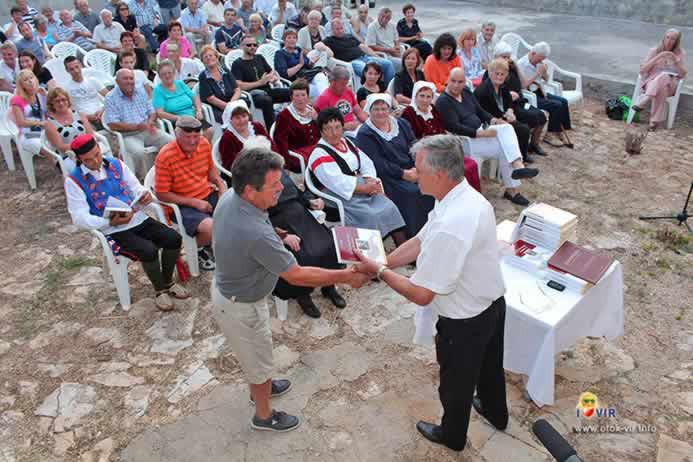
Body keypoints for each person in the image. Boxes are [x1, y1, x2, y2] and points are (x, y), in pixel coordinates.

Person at [351, 133, 509, 454]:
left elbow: (422, 294)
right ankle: (496, 412)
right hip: (491, 301)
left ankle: (452, 435)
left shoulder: (453, 222)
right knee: (491, 368)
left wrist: (380, 272)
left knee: (455, 383)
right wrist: (382, 260)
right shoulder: (460, 197)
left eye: (417, 169)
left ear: (438, 174)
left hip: (464, 319)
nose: (411, 173)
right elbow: (421, 239)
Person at [210, 145, 367, 434]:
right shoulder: (253, 231)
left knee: (260, 351)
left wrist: (280, 232)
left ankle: (262, 387)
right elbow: (296, 274)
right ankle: (263, 414)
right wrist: (346, 276)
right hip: (239, 303)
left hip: (241, 293)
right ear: (249, 190)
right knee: (256, 360)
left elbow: (263, 228)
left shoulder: (233, 198)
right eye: (274, 185)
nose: (282, 188)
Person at [64, 134, 189, 311]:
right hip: (112, 228)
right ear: (79, 159)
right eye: (89, 160)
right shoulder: (74, 180)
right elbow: (79, 218)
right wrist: (108, 220)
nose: (96, 161)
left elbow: (135, 187)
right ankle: (160, 290)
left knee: (173, 238)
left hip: (136, 218)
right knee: (148, 250)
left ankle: (168, 282)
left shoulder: (115, 164)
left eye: (97, 154)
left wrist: (144, 196)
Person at [435, 68, 538, 206]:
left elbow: (479, 110)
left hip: (481, 133)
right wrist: (479, 133)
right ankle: (514, 183)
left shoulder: (465, 92)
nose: (456, 85)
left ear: (464, 82)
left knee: (506, 129)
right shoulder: (444, 101)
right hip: (466, 140)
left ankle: (516, 173)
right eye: (453, 81)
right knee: (505, 145)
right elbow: (453, 126)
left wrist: (494, 120)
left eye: (460, 82)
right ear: (447, 80)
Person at [308, 107, 406, 242]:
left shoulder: (346, 142)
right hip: (337, 194)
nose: (334, 132)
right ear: (321, 131)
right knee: (368, 215)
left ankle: (401, 247)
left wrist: (369, 179)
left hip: (361, 185)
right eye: (328, 128)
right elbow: (337, 182)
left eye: (337, 127)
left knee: (389, 207)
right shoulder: (319, 154)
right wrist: (366, 188)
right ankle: (371, 255)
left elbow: (365, 161)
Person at [356, 93, 433, 238]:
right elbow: (377, 162)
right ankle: (413, 237)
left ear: (389, 109)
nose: (380, 112)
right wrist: (403, 173)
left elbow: (414, 145)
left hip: (412, 169)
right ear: (369, 111)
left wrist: (418, 167)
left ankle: (430, 231)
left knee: (430, 185)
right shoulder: (365, 133)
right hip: (388, 176)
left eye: (384, 108)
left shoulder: (401, 124)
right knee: (411, 193)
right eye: (376, 109)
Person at [155, 116, 224, 271]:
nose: (193, 141)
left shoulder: (204, 144)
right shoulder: (165, 156)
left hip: (206, 193)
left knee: (236, 207)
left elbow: (213, 175)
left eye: (196, 136)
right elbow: (161, 194)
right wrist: (195, 202)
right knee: (210, 227)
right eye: (187, 137)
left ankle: (216, 244)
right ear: (177, 135)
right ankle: (195, 249)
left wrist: (221, 188)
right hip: (182, 205)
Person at [400, 81, 482, 193]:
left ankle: (468, 196)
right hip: (424, 153)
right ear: (415, 96)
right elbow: (411, 140)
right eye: (422, 96)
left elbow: (441, 129)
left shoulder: (432, 109)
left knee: (471, 165)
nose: (425, 100)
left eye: (428, 97)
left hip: (441, 149)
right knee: (455, 170)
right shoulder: (409, 113)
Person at [104, 68, 174, 176]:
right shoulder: (111, 97)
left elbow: (152, 112)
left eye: (131, 78)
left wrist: (150, 122)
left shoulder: (140, 91)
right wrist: (136, 126)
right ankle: (146, 179)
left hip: (147, 129)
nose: (129, 81)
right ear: (117, 82)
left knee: (170, 142)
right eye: (125, 79)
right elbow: (112, 124)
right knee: (139, 153)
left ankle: (170, 173)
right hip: (128, 135)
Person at [486, 42, 548, 157]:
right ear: (496, 57)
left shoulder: (512, 68)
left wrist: (516, 66)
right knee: (529, 121)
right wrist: (508, 96)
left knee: (541, 115)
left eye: (508, 57)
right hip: (508, 106)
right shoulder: (492, 72)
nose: (507, 59)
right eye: (503, 57)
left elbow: (523, 83)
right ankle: (522, 150)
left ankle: (534, 144)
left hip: (519, 102)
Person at [474, 58, 533, 163]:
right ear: (490, 73)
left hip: (503, 118)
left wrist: (510, 111)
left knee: (524, 126)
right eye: (497, 74)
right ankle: (513, 159)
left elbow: (509, 102)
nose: (499, 77)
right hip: (489, 123)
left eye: (502, 74)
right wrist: (500, 119)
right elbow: (482, 112)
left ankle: (520, 156)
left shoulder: (503, 87)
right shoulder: (482, 90)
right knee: (522, 129)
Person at [517, 42, 573, 147]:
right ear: (533, 53)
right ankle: (549, 135)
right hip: (530, 94)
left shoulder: (538, 62)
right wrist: (537, 73)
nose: (541, 61)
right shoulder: (521, 64)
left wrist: (544, 73)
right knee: (556, 105)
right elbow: (523, 86)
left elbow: (547, 80)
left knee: (563, 101)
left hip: (540, 91)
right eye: (539, 59)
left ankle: (560, 130)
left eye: (542, 59)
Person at [633, 28, 687, 131]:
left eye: (673, 39)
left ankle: (645, 99)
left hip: (671, 86)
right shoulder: (654, 51)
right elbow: (642, 71)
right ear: (663, 38)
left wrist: (676, 61)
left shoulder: (680, 53)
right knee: (662, 83)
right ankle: (653, 122)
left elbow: (683, 74)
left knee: (665, 77)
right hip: (651, 83)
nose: (669, 41)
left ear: (677, 41)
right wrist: (660, 56)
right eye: (667, 37)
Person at [232, 34, 291, 128]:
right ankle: (272, 131)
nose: (252, 47)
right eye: (249, 45)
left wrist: (272, 77)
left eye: (254, 45)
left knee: (292, 92)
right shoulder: (237, 64)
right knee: (266, 101)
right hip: (253, 95)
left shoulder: (259, 58)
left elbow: (271, 71)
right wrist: (260, 82)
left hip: (268, 90)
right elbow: (239, 85)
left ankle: (293, 123)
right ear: (241, 46)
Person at [322, 18, 395, 84]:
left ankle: (385, 87)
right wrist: (326, 48)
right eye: (337, 29)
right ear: (332, 29)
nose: (340, 31)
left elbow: (362, 46)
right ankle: (376, 89)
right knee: (367, 70)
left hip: (365, 57)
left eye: (341, 28)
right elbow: (317, 45)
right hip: (352, 62)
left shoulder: (349, 36)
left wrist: (376, 56)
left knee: (388, 64)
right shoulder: (329, 40)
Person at [153, 60, 213, 140]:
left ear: (174, 73)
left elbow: (194, 97)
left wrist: (198, 110)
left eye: (169, 73)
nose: (167, 76)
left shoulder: (180, 84)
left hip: (193, 116)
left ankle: (205, 151)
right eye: (164, 74)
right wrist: (178, 118)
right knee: (194, 136)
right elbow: (160, 113)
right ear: (160, 76)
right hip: (176, 122)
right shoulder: (158, 90)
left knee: (209, 130)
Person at [273, 79, 320, 172]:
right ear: (291, 97)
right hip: (297, 154)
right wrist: (286, 163)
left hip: (317, 148)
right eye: (297, 95)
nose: (300, 99)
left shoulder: (313, 110)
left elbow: (324, 131)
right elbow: (280, 141)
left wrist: (317, 119)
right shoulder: (284, 116)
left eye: (303, 95)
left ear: (307, 96)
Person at [45, 88, 94, 167]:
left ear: (68, 100)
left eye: (63, 100)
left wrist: (88, 149)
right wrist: (82, 147)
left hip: (89, 150)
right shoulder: (50, 124)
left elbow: (91, 135)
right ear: (51, 104)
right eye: (57, 101)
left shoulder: (80, 115)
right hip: (67, 156)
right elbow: (61, 146)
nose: (61, 103)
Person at [219, 100, 272, 173]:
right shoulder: (227, 138)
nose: (242, 120)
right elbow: (229, 164)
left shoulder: (257, 126)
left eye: (244, 116)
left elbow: (272, 145)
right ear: (230, 120)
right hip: (243, 173)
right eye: (237, 118)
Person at [274, 27, 329, 98]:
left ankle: (327, 100)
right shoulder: (280, 54)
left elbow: (307, 64)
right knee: (315, 90)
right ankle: (326, 101)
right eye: (289, 38)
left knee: (321, 77)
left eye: (294, 38)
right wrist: (299, 65)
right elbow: (286, 74)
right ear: (284, 40)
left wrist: (312, 62)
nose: (292, 40)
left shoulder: (298, 49)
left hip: (307, 75)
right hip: (296, 80)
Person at [314, 66, 367, 133]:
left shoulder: (347, 91)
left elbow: (359, 112)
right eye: (342, 84)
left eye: (346, 84)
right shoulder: (324, 98)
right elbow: (326, 123)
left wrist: (370, 123)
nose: (345, 87)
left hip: (354, 128)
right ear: (332, 82)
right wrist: (344, 126)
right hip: (338, 132)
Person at [198, 45, 242, 124]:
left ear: (216, 57)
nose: (208, 58)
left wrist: (232, 104)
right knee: (231, 118)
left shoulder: (225, 70)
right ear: (203, 61)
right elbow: (210, 98)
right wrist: (228, 107)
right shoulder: (203, 76)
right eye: (205, 57)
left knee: (244, 112)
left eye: (211, 55)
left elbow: (237, 89)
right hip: (216, 108)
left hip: (231, 102)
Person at [64, 56, 109, 129]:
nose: (76, 71)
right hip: (83, 119)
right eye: (72, 69)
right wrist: (85, 117)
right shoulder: (66, 88)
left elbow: (110, 98)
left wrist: (102, 110)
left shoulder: (93, 81)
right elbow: (68, 110)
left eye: (77, 67)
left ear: (81, 65)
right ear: (67, 70)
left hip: (101, 115)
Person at [10, 69, 47, 158]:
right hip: (27, 133)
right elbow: (21, 122)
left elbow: (47, 113)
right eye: (26, 80)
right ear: (22, 85)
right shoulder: (16, 100)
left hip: (44, 128)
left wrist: (45, 97)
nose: (30, 81)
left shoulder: (41, 94)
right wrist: (40, 123)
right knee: (47, 148)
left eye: (32, 77)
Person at [365, 8, 401, 72]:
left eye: (387, 18)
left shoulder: (392, 25)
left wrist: (397, 47)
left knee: (414, 58)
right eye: (382, 16)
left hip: (394, 51)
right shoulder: (372, 27)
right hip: (384, 55)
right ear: (378, 15)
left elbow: (396, 39)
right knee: (403, 63)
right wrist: (389, 50)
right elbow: (370, 45)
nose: (384, 19)